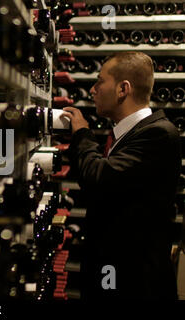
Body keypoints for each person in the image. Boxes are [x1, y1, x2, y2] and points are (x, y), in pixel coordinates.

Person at [61, 52, 181, 299]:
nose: (93, 90)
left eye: (100, 81)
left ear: (122, 89)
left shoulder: (158, 135)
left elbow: (99, 178)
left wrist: (82, 134)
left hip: (132, 282)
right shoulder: (129, 134)